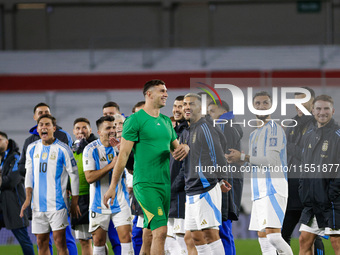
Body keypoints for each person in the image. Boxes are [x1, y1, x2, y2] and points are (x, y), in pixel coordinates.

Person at [103, 79, 189, 255]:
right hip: (145, 184)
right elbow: (124, 155)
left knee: (149, 234)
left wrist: (186, 147)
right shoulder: (135, 120)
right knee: (161, 232)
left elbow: (177, 150)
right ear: (149, 94)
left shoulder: (166, 121)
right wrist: (112, 186)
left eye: (166, 90)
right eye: (161, 91)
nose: (166, 94)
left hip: (164, 184)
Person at [226, 91, 293, 255]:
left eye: (265, 103)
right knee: (262, 236)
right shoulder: (255, 134)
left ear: (271, 106)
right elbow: (256, 162)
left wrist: (243, 156)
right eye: (257, 103)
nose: (261, 106)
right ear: (253, 107)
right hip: (259, 191)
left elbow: (271, 160)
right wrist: (240, 161)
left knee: (274, 237)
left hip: (273, 188)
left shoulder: (275, 129)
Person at [17, 102, 77, 255]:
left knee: (60, 243)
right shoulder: (31, 147)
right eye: (41, 124)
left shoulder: (63, 148)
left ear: (53, 128)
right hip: (37, 206)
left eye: (48, 124)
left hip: (58, 205)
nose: (44, 127)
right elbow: (28, 173)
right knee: (41, 242)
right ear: (37, 128)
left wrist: (74, 201)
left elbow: (74, 175)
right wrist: (28, 198)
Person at [177, 93, 231, 255]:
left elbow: (218, 155)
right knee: (195, 237)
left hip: (206, 187)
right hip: (191, 190)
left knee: (210, 235)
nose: (186, 107)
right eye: (185, 104)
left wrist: (222, 179)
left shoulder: (205, 128)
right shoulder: (186, 131)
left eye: (191, 104)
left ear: (200, 108)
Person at [282, 88, 325, 254]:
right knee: (281, 234)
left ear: (312, 102)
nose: (298, 105)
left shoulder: (318, 124)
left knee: (312, 236)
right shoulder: (291, 124)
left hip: (310, 188)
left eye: (303, 100)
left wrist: (287, 144)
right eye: (296, 101)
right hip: (291, 189)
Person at [83, 115, 134, 255]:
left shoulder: (121, 146)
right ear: (99, 132)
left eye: (113, 127)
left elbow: (131, 170)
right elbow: (89, 178)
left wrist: (122, 152)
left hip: (120, 199)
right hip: (99, 201)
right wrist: (111, 165)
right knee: (98, 241)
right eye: (108, 128)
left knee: (126, 237)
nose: (112, 130)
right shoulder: (90, 149)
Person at [298, 95, 340, 255]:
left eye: (326, 108)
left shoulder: (337, 135)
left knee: (337, 241)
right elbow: (304, 166)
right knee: (304, 240)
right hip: (313, 200)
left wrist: (333, 193)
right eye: (319, 108)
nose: (322, 112)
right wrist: (304, 190)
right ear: (312, 111)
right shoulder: (308, 135)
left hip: (333, 201)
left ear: (333, 110)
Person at [208, 100, 244, 255]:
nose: (208, 115)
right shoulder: (232, 125)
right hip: (231, 182)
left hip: (224, 183)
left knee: (221, 229)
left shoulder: (223, 125)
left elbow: (222, 156)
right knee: (224, 230)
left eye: (211, 111)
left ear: (221, 112)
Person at [0, 131, 35, 255]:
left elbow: (12, 181)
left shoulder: (16, 158)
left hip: (14, 206)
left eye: (0, 140)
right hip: (1, 206)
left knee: (24, 240)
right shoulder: (1, 160)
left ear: (6, 142)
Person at [166, 95, 191, 255]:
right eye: (174, 106)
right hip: (171, 191)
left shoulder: (187, 132)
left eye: (180, 106)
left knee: (181, 239)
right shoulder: (174, 132)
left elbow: (186, 166)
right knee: (169, 239)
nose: (176, 109)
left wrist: (173, 187)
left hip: (181, 191)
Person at [71, 118, 97, 255]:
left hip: (96, 195)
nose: (81, 131)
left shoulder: (97, 145)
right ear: (74, 131)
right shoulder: (72, 149)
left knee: (99, 239)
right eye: (78, 128)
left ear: (90, 130)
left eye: (84, 128)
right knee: (84, 240)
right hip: (79, 198)